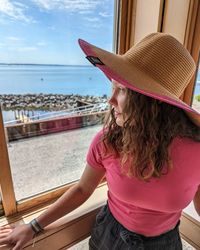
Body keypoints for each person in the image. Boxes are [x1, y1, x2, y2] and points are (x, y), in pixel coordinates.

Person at [0, 32, 200, 250]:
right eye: (112, 87)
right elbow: (82, 189)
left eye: (121, 90)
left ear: (153, 102)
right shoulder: (108, 141)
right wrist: (33, 227)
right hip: (109, 236)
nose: (110, 100)